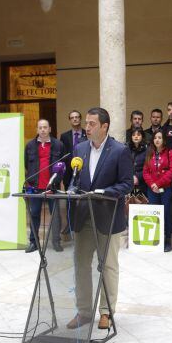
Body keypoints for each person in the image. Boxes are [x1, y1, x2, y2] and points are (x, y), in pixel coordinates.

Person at [66, 107, 133, 330]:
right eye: (86, 123)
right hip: (83, 216)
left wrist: (104, 193)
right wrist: (71, 189)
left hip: (108, 216)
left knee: (108, 266)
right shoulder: (80, 148)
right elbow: (74, 179)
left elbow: (126, 184)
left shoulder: (119, 150)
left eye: (92, 123)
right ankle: (84, 312)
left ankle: (106, 312)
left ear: (104, 126)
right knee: (81, 265)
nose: (87, 127)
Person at [24, 119, 65, 253]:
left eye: (45, 127)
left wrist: (57, 180)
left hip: (52, 186)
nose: (42, 130)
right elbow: (27, 165)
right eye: (40, 127)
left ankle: (56, 242)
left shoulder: (58, 145)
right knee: (34, 213)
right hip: (35, 187)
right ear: (37, 130)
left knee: (55, 215)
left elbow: (62, 165)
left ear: (50, 129)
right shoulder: (30, 145)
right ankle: (33, 242)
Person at [143, 129, 172, 252]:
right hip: (152, 189)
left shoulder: (170, 152)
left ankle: (167, 240)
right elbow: (145, 172)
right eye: (155, 138)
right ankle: (156, 239)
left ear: (164, 140)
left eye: (160, 137)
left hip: (166, 189)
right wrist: (152, 184)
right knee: (154, 214)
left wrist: (158, 183)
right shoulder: (149, 153)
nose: (157, 140)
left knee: (166, 214)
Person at [60, 110, 87, 190]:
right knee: (70, 199)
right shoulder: (64, 136)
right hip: (68, 172)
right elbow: (63, 154)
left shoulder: (87, 134)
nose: (74, 119)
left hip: (83, 169)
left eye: (77, 117)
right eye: (72, 118)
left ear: (80, 119)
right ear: (70, 120)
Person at [128, 128, 148, 195]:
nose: (136, 136)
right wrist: (131, 177)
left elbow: (148, 167)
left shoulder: (147, 150)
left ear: (142, 137)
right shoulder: (126, 149)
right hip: (129, 182)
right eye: (133, 135)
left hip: (143, 183)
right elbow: (124, 166)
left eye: (138, 135)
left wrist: (137, 177)